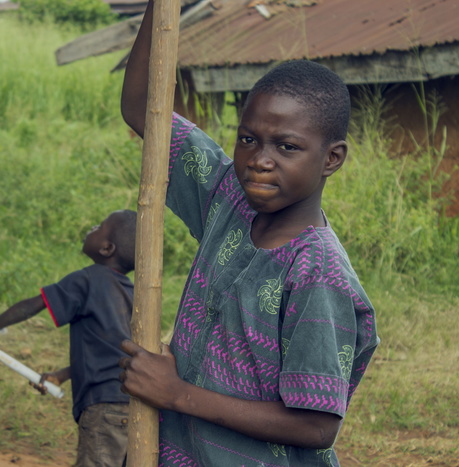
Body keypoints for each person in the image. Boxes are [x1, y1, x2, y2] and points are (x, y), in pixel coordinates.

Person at [117, 2, 380, 465]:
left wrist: (177, 394)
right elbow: (144, 108)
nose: (260, 158)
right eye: (249, 139)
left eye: (287, 146)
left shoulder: (318, 275)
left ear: (332, 159)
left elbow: (317, 425)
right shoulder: (228, 201)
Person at [0, 209, 137, 467]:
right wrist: (61, 375)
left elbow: (33, 305)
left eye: (99, 226)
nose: (92, 228)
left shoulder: (88, 279)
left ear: (107, 248)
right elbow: (110, 353)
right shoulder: (131, 294)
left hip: (104, 404)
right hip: (132, 403)